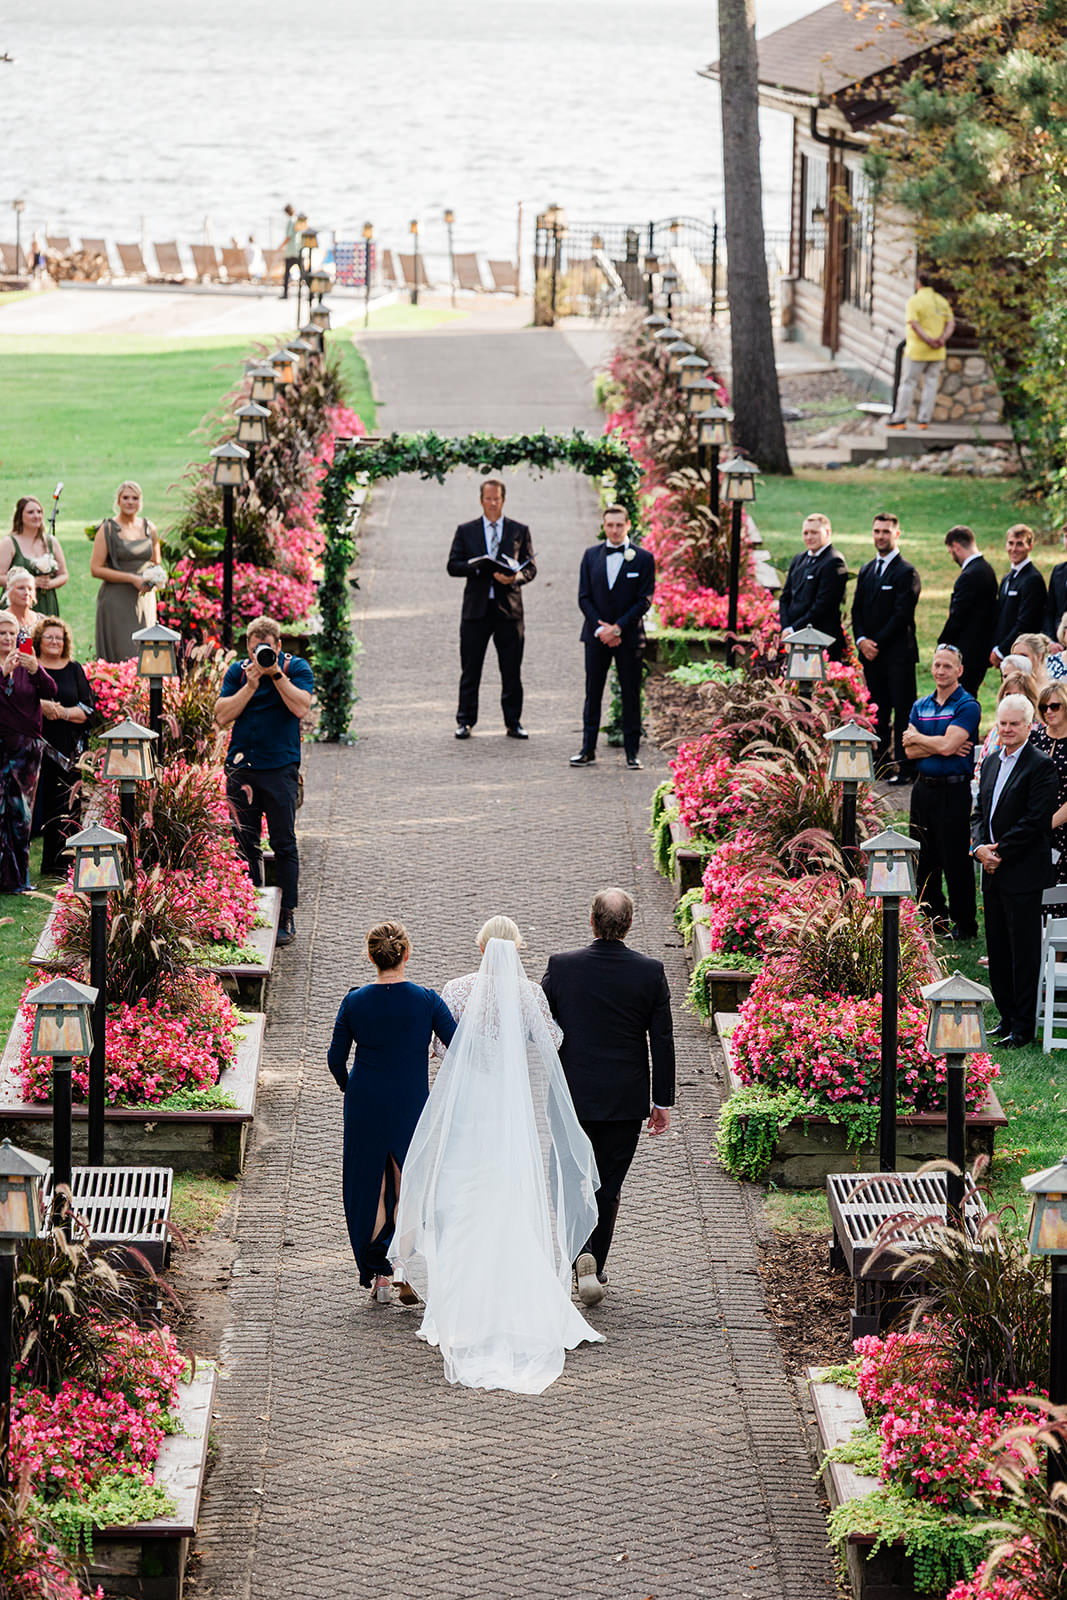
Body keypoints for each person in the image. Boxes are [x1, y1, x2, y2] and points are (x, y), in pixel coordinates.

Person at [392, 935, 603, 1394]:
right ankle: (517, 1299)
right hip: (509, 1108)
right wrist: (518, 1041)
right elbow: (554, 1038)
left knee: (464, 1196)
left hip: (469, 1105)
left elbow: (437, 1046)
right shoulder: (528, 992)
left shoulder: (457, 988)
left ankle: (462, 1306)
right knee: (509, 1195)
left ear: (482, 946)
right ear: (518, 948)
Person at [541, 887, 675, 1306]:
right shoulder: (649, 972)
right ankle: (595, 1263)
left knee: (567, 1177)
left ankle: (577, 1253)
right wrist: (662, 1100)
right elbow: (663, 1040)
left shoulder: (562, 967)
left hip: (572, 1095)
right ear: (630, 924)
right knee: (609, 1185)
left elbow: (543, 1023)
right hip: (624, 1097)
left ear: (593, 921)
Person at [328, 923, 457, 1304]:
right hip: (411, 1101)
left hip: (365, 1099)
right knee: (408, 1184)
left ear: (371, 956)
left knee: (372, 1186)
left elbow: (336, 1058)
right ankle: (400, 1265)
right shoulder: (427, 1000)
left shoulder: (354, 1002)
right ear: (407, 953)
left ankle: (379, 1279)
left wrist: (348, 1087)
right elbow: (459, 1043)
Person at [214, 615, 314, 949]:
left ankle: (286, 913)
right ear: (248, 647)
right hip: (242, 770)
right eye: (257, 649)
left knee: (284, 844)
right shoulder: (238, 672)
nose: (263, 654)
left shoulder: (296, 668)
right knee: (245, 842)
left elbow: (301, 707)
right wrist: (252, 684)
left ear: (279, 646)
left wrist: (276, 675)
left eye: (268, 649)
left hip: (281, 770)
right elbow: (221, 715)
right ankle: (252, 906)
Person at [971, 693, 1057, 1047]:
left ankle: (1022, 1026)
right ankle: (1005, 1017)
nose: (1006, 729)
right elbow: (978, 813)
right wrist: (978, 848)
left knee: (1022, 951)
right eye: (1002, 723)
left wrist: (999, 852)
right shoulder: (990, 761)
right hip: (991, 871)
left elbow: (1036, 820)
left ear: (1028, 726)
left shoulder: (1040, 766)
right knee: (998, 948)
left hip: (1021, 872)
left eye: (1014, 724)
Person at [902, 644, 981, 940]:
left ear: (959, 670)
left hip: (954, 792)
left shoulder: (967, 706)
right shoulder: (920, 704)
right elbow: (908, 751)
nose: (940, 671)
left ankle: (964, 925)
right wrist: (940, 743)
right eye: (936, 665)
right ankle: (934, 921)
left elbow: (947, 746)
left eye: (947, 666)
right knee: (924, 858)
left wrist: (923, 740)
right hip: (923, 790)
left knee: (955, 859)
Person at [447, 479, 536, 741]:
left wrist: (515, 578)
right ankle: (465, 721)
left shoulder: (519, 530)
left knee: (511, 670)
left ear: (503, 500)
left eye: (497, 499)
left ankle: (513, 722)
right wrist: (477, 567)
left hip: (509, 611)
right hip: (476, 611)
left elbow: (530, 568)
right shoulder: (467, 530)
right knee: (471, 668)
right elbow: (453, 565)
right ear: (481, 500)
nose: (493, 503)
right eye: (488, 499)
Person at [571, 504, 655, 770]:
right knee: (592, 693)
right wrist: (602, 630)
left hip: (628, 638)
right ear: (603, 526)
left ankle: (632, 752)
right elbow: (584, 597)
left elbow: (644, 600)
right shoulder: (590, 556)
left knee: (631, 694)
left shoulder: (643, 558)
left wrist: (618, 628)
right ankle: (587, 749)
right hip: (596, 637)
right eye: (610, 525)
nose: (615, 530)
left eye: (619, 525)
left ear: (628, 525)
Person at [850, 512, 921, 783]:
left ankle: (906, 768)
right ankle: (880, 765)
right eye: (877, 531)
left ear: (897, 534)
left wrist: (875, 643)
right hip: (870, 656)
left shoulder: (907, 572)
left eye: (886, 532)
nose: (880, 536)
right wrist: (861, 641)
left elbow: (902, 615)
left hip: (898, 656)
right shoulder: (867, 570)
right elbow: (856, 610)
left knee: (902, 712)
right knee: (877, 712)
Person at [435, 914, 562, 1050]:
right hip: (513, 1070)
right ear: (515, 948)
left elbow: (441, 1045)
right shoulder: (531, 992)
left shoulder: (455, 988)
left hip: (468, 1071)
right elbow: (553, 1041)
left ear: (481, 947)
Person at [31, 618, 94, 876]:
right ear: (39, 641)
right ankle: (48, 865)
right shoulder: (32, 669)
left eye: (59, 638)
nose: (55, 642)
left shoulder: (74, 669)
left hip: (69, 752)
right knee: (44, 807)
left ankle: (67, 864)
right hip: (38, 749)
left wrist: (62, 712)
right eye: (49, 637)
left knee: (69, 806)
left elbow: (88, 709)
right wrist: (41, 707)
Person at [0, 610, 57, 894]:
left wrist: (35, 668)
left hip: (26, 749)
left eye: (12, 633)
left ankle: (17, 879)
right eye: (2, 633)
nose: (8, 638)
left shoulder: (28, 664)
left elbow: (51, 689)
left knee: (20, 814)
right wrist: (3, 673)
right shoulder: (5, 667)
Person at [91, 482, 162, 662]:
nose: (130, 502)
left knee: (145, 652)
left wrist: (155, 580)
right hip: (116, 601)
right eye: (126, 498)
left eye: (135, 498)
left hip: (144, 599)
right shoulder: (107, 529)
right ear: (118, 501)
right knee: (122, 652)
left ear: (140, 501)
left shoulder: (149, 527)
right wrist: (131, 579)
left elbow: (156, 562)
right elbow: (96, 568)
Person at [886, 270, 955, 431]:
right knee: (931, 384)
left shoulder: (914, 301)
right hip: (938, 351)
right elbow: (950, 323)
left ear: (919, 283)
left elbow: (914, 324)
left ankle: (900, 418)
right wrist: (942, 339)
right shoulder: (941, 301)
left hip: (917, 350)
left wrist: (928, 340)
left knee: (908, 383)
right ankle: (924, 420)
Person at [777, 512, 849, 661]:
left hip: (821, 642)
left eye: (814, 532)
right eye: (806, 533)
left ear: (828, 532)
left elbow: (823, 606)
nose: (809, 537)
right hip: (794, 638)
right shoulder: (799, 559)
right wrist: (785, 628)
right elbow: (785, 597)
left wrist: (793, 629)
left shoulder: (834, 562)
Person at [938, 526, 998, 695]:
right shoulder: (987, 570)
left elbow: (958, 616)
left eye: (951, 552)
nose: (952, 557)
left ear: (956, 546)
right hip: (980, 650)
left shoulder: (970, 575)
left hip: (967, 652)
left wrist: (943, 644)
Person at [0, 497, 68, 617]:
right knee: (24, 636)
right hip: (17, 606)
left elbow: (63, 575)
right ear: (20, 516)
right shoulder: (9, 542)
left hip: (46, 603)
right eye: (30, 512)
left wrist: (49, 584)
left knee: (45, 635)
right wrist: (30, 583)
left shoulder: (51, 542)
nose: (36, 516)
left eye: (39, 512)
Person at [991, 525, 1046, 668]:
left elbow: (1026, 622)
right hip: (1005, 653)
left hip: (1022, 654)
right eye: (1010, 543)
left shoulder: (1032, 579)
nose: (1014, 549)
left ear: (1030, 546)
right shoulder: (1007, 578)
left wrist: (1001, 651)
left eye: (1020, 544)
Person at [1033, 684, 1067, 886]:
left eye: (1055, 706)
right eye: (1044, 707)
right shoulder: (1035, 739)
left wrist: (1046, 825)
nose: (1048, 711)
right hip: (1034, 824)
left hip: (1060, 828)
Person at [2, 571, 43, 643]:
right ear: (9, 591)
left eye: (30, 589)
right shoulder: (1, 619)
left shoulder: (42, 621)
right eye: (21, 588)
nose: (26, 593)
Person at [1044, 526, 1067, 647]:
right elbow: (1049, 611)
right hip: (1058, 646)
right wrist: (1051, 641)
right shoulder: (1058, 571)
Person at [281, 204, 300, 300]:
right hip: (298, 250)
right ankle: (312, 292)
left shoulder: (290, 221)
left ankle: (285, 294)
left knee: (287, 274)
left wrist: (281, 246)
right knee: (304, 274)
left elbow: (289, 236)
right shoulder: (298, 220)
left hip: (291, 251)